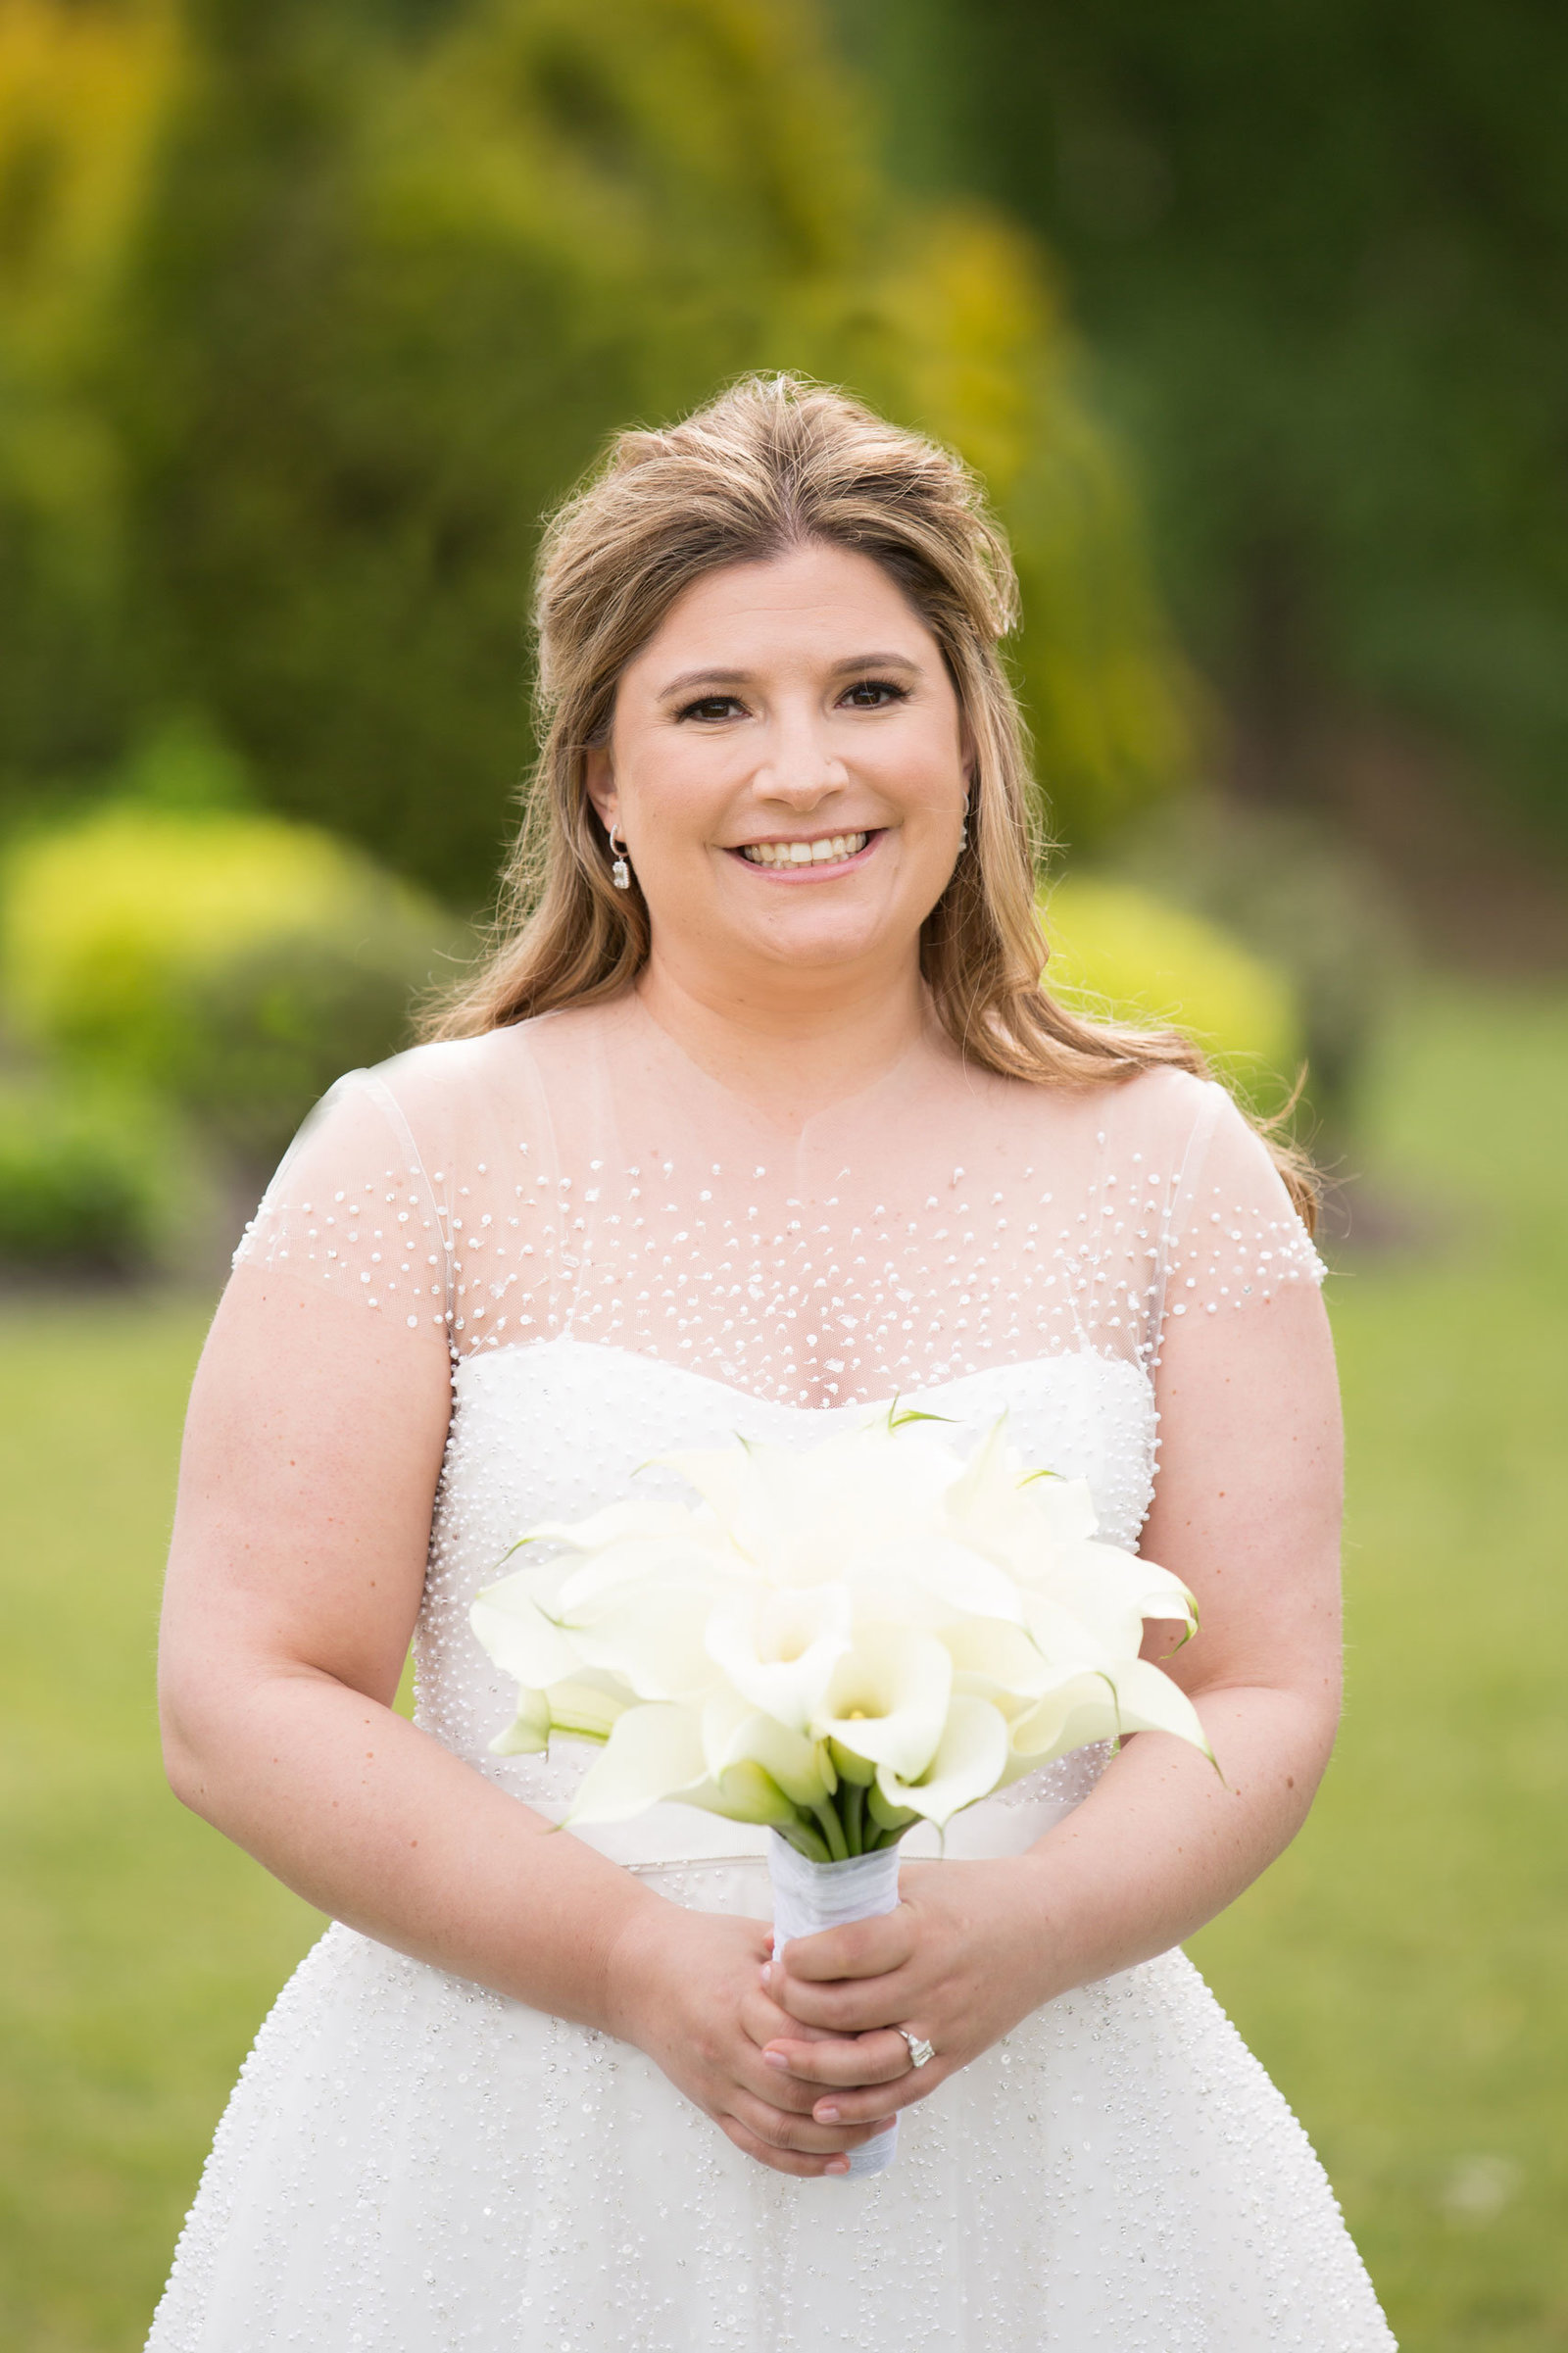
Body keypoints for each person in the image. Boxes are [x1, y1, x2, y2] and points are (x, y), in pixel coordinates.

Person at [149, 374, 1395, 2350]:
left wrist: (1029, 1930)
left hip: (1037, 2126)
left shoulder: (1170, 1167)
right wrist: (634, 1957)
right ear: (598, 782)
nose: (802, 768)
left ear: (972, 740)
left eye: (869, 691)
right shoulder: (414, 1152)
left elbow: (1262, 1677)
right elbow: (242, 1685)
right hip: (503, 2134)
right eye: (712, 706)